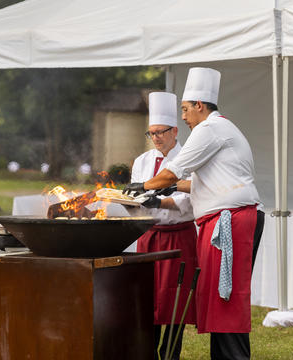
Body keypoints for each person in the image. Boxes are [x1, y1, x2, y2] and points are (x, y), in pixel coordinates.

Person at [124, 68, 264, 360]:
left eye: (186, 110)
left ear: (200, 106)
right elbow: (193, 181)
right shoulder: (220, 129)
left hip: (231, 220)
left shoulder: (209, 129)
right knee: (218, 296)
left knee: (226, 297)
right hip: (225, 220)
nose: (184, 117)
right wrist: (170, 187)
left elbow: (173, 171)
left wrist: (144, 187)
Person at [131, 92, 198, 360]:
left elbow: (190, 201)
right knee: (146, 302)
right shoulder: (142, 161)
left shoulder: (189, 158)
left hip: (178, 238)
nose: (156, 138)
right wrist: (131, 200)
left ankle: (170, 354)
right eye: (152, 133)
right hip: (149, 237)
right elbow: (136, 198)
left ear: (174, 131)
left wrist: (159, 203)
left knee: (173, 301)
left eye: (161, 132)